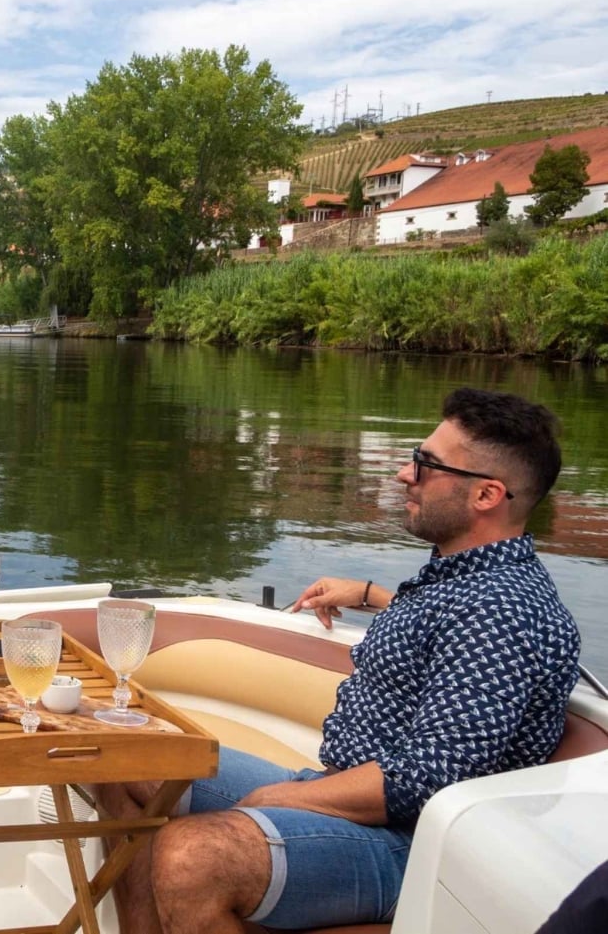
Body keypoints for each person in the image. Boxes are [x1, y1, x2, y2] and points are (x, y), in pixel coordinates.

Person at [101, 388, 582, 933]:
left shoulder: (505, 610)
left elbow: (426, 779)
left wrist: (280, 797)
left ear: (487, 495)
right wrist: (369, 593)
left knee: (193, 856)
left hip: (412, 845)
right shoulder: (466, 581)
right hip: (347, 791)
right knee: (125, 759)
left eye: (426, 464)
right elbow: (443, 633)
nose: (405, 474)